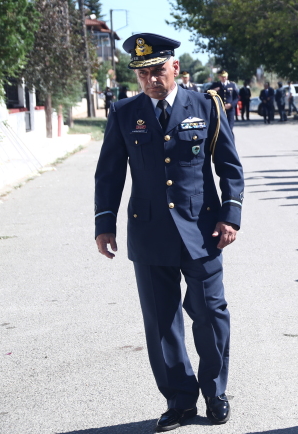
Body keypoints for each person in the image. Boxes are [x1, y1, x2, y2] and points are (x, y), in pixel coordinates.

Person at [94, 33, 244, 431]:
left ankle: (215, 392)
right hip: (149, 233)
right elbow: (109, 173)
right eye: (143, 74)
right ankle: (179, 401)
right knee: (161, 322)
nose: (151, 80)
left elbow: (229, 166)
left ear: (175, 67)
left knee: (210, 314)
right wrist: (104, 223)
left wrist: (230, 216)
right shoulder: (124, 112)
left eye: (158, 70)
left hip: (202, 229)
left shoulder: (206, 105)